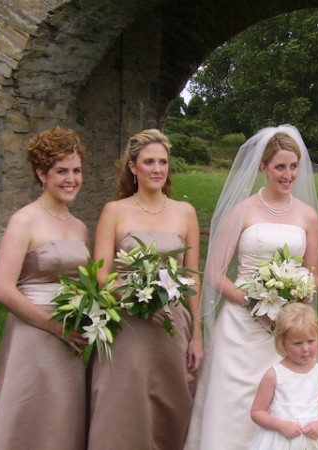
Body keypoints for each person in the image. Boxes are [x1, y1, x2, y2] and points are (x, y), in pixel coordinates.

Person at [184, 125, 318, 450]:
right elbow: (215, 273)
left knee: (283, 402)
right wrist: (255, 302)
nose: (288, 175)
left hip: (286, 328)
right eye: (280, 167)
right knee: (234, 405)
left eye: (293, 166)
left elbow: (311, 276)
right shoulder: (243, 210)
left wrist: (289, 306)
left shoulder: (308, 216)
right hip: (240, 328)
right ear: (263, 167)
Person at [87, 129, 202, 450]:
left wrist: (197, 335)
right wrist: (137, 300)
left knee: (171, 404)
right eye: (149, 162)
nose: (157, 169)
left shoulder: (185, 212)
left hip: (172, 324)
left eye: (163, 162)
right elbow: (101, 274)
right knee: (121, 405)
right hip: (125, 324)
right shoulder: (115, 211)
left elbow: (192, 278)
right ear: (132, 167)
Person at [0, 127, 90, 449]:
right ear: (41, 174)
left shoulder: (80, 227)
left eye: (76, 171)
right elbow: (2, 289)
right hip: (32, 334)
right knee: (27, 419)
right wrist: (54, 327)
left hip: (69, 337)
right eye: (61, 171)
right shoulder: (25, 221)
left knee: (60, 420)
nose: (70, 179)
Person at [248, 302, 318, 450]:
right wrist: (281, 426)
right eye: (297, 343)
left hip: (312, 441)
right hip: (278, 440)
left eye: (310, 341)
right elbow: (257, 412)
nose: (305, 349)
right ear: (283, 343)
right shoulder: (274, 375)